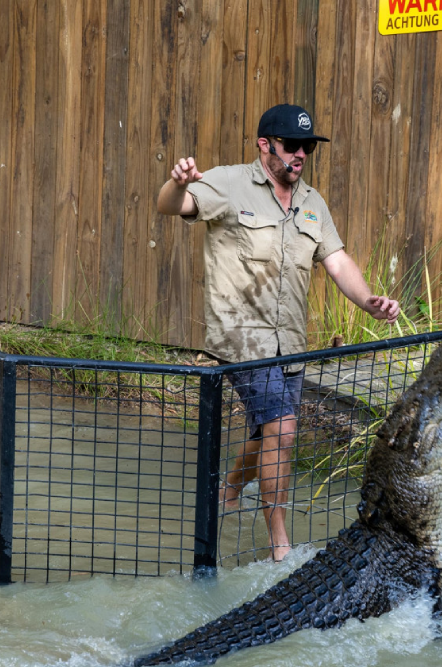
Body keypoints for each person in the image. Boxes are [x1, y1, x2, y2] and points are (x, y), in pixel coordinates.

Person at [157, 104, 400, 562]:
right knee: (284, 431)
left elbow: (338, 261)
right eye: (292, 145)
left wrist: (368, 301)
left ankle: (230, 490)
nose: (302, 153)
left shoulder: (313, 202)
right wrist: (178, 181)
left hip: (288, 343)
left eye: (308, 146)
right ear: (265, 145)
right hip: (241, 340)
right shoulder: (229, 183)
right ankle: (281, 548)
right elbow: (172, 206)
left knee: (266, 431)